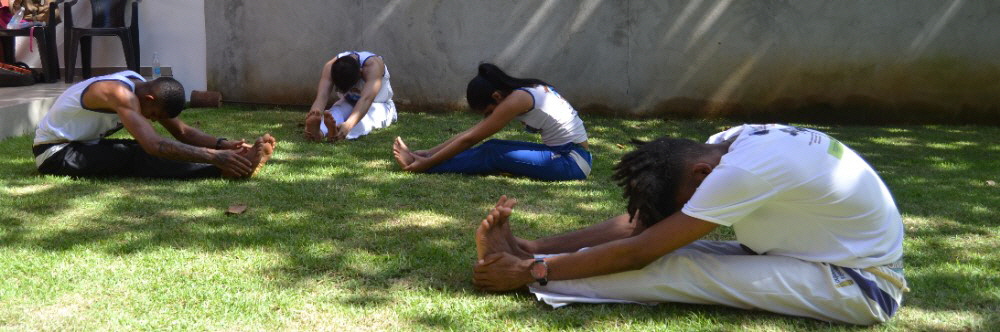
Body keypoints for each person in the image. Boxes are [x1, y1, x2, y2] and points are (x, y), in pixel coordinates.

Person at [473, 124, 908, 325]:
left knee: (672, 266)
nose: (685, 213)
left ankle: (525, 277)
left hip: (858, 284)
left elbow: (642, 250)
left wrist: (535, 272)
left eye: (685, 205)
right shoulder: (729, 143)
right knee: (673, 250)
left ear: (701, 176)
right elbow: (640, 228)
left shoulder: (739, 171)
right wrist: (532, 246)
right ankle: (526, 260)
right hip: (808, 258)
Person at [32, 70, 276, 178]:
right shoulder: (119, 93)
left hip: (84, 144)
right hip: (54, 153)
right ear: (150, 99)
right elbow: (154, 145)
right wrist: (215, 158)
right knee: (135, 154)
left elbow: (182, 131)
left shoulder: (142, 87)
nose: (152, 119)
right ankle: (223, 170)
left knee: (131, 150)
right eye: (154, 114)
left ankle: (233, 163)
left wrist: (223, 145)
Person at [392, 63, 591, 181]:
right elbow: (472, 133)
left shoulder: (517, 99)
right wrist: (428, 152)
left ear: (496, 96)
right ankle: (424, 161)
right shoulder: (526, 90)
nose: (488, 117)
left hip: (572, 162)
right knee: (493, 146)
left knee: (492, 152)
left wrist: (427, 164)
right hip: (569, 155)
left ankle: (427, 167)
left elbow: (470, 139)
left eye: (488, 112)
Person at [304, 51, 396, 142]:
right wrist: (315, 116)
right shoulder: (330, 67)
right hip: (348, 102)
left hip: (379, 104)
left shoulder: (373, 66)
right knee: (335, 112)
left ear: (360, 72)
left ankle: (338, 134)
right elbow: (322, 96)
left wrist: (348, 125)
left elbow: (366, 99)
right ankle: (318, 133)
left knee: (365, 120)